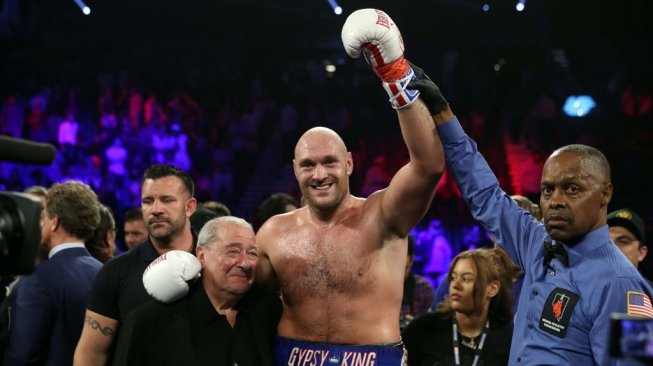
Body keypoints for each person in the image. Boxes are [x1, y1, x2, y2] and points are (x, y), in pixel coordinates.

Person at [410, 64, 653, 364]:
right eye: (548, 190)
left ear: (605, 194)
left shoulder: (624, 285)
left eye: (572, 189)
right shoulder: (535, 243)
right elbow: (485, 195)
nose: (556, 201)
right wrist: (443, 114)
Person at [255, 9, 446, 365]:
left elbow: (429, 166)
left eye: (329, 162)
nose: (319, 174)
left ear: (349, 164)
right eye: (308, 165)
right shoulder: (272, 234)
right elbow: (239, 298)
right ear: (294, 171)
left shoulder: (382, 215)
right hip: (291, 356)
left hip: (371, 357)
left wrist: (394, 75)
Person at [112, 216, 282, 365]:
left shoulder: (269, 310)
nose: (245, 263)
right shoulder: (150, 322)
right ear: (201, 255)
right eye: (233, 252)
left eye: (252, 253)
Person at [74, 164, 197, 366]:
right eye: (148, 201)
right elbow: (90, 355)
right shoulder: (115, 272)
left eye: (167, 200)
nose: (156, 209)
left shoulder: (212, 263)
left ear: (189, 207)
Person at [3, 181, 102, 365]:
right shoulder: (103, 272)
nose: (41, 224)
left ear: (54, 221)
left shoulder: (38, 278)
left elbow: (22, 356)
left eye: (44, 218)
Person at [402, 248, 514, 366]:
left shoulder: (509, 339)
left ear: (492, 289)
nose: (455, 285)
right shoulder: (422, 329)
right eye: (453, 277)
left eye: (466, 279)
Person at [608, 208, 652, 285]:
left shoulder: (649, 293)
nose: (611, 247)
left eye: (623, 242)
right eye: (606, 241)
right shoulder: (582, 287)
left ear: (641, 253)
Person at [401, 235, 436, 330]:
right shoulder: (375, 290)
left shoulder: (424, 289)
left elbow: (433, 329)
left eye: (403, 268)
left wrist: (418, 326)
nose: (397, 275)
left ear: (411, 260)